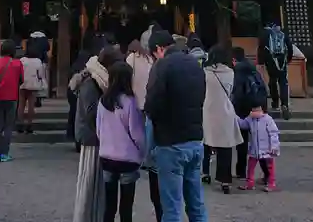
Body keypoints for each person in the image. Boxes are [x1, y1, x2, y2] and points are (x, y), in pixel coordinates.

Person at [144, 30, 207, 222]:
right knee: (196, 204)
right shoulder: (195, 65)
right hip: (195, 139)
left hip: (171, 143)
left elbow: (152, 104)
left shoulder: (162, 66)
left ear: (158, 49)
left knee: (171, 209)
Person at [73, 46, 123, 222]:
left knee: (98, 184)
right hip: (92, 138)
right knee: (90, 182)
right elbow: (91, 113)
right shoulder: (92, 82)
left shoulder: (101, 80)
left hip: (101, 138)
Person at [97, 61, 145, 222]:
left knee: (109, 206)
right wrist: (142, 150)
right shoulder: (130, 101)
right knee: (126, 206)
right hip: (127, 158)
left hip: (107, 156)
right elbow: (136, 132)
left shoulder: (103, 101)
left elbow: (98, 129)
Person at [202, 45, 243, 194]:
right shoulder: (230, 73)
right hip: (225, 111)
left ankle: (205, 172)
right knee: (225, 147)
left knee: (206, 142)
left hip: (208, 110)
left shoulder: (205, 73)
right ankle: (225, 180)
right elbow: (231, 91)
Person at [231, 46, 268, 179]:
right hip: (259, 107)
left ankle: (241, 171)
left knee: (242, 142)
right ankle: (267, 173)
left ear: (234, 59)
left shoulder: (238, 71)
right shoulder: (254, 69)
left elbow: (238, 93)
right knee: (260, 142)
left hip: (243, 110)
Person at [0, 39, 24, 162]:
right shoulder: (17, 63)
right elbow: (21, 79)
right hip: (12, 96)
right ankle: (5, 153)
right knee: (8, 126)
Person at [237, 100, 280, 192]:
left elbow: (273, 133)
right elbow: (243, 124)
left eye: (257, 110)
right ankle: (250, 183)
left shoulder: (268, 119)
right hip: (254, 149)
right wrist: (234, 117)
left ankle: (271, 183)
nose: (255, 112)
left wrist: (274, 146)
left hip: (267, 149)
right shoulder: (250, 119)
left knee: (270, 167)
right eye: (254, 110)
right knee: (251, 167)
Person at [257, 22, 293, 119]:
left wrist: (261, 62)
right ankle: (284, 104)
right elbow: (289, 46)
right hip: (282, 60)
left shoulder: (265, 34)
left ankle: (275, 102)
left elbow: (261, 48)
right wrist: (288, 59)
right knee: (283, 81)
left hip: (271, 60)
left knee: (272, 80)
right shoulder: (282, 33)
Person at [67, 32, 94, 151]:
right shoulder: (89, 70)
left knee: (74, 115)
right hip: (83, 95)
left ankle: (74, 137)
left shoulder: (74, 67)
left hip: (73, 94)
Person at [17, 44, 45, 134]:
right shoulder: (38, 61)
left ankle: (20, 124)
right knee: (31, 106)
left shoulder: (22, 60)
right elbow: (40, 75)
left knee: (21, 105)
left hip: (22, 84)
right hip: (33, 84)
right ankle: (29, 124)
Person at [126, 39, 153, 111]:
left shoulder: (131, 57)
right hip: (148, 100)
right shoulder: (149, 58)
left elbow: (127, 77)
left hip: (136, 101)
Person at [27, 27, 50, 107]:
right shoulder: (44, 38)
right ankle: (39, 98)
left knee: (32, 79)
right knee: (41, 79)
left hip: (30, 61)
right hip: (41, 60)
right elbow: (48, 48)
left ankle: (32, 98)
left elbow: (27, 49)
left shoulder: (31, 38)